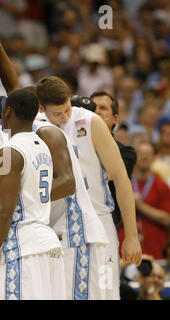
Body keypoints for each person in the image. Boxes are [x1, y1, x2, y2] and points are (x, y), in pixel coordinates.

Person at [36, 76, 142, 299]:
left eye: (67, 108)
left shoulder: (90, 121)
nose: (64, 116)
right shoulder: (36, 125)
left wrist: (131, 236)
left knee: (105, 293)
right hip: (56, 228)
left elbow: (122, 178)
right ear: (42, 108)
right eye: (58, 113)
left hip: (98, 223)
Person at [0, 89, 65, 300]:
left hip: (24, 248)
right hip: (49, 246)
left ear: (7, 111)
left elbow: (5, 211)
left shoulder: (9, 151)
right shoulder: (42, 146)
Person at [90, 91, 138, 225]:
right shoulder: (72, 146)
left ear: (115, 119)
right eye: (93, 108)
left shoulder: (126, 152)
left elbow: (111, 174)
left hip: (107, 221)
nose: (97, 112)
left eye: (103, 108)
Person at [118, 140, 170, 259]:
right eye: (141, 153)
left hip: (156, 252)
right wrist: (129, 206)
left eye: (148, 154)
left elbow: (167, 219)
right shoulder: (122, 183)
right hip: (124, 254)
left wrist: (140, 206)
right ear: (135, 156)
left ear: (154, 157)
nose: (145, 157)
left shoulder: (161, 185)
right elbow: (114, 220)